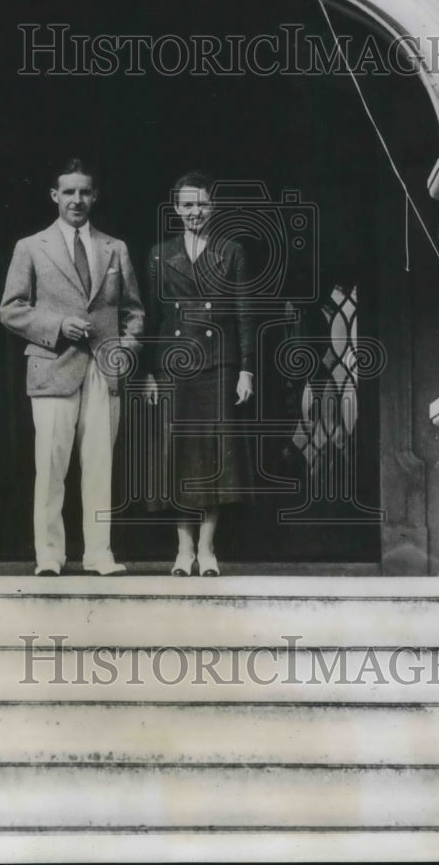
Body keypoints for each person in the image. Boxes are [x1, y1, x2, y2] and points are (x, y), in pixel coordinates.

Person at [0, 158, 144, 575]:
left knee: (100, 464)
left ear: (94, 195)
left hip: (104, 369)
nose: (76, 200)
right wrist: (58, 325)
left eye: (84, 192)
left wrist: (126, 348)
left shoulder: (115, 248)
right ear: (54, 196)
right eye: (69, 192)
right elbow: (10, 310)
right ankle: (49, 554)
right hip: (53, 367)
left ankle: (99, 553)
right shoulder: (31, 247)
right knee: (50, 466)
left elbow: (134, 310)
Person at [144, 171, 255, 576]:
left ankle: (207, 550)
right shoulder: (159, 253)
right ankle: (182, 550)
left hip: (217, 365)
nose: (195, 211)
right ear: (176, 208)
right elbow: (154, 319)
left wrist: (247, 370)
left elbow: (245, 314)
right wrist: (152, 372)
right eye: (187, 205)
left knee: (213, 458)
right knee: (178, 456)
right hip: (175, 366)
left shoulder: (232, 250)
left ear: (213, 207)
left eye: (202, 204)